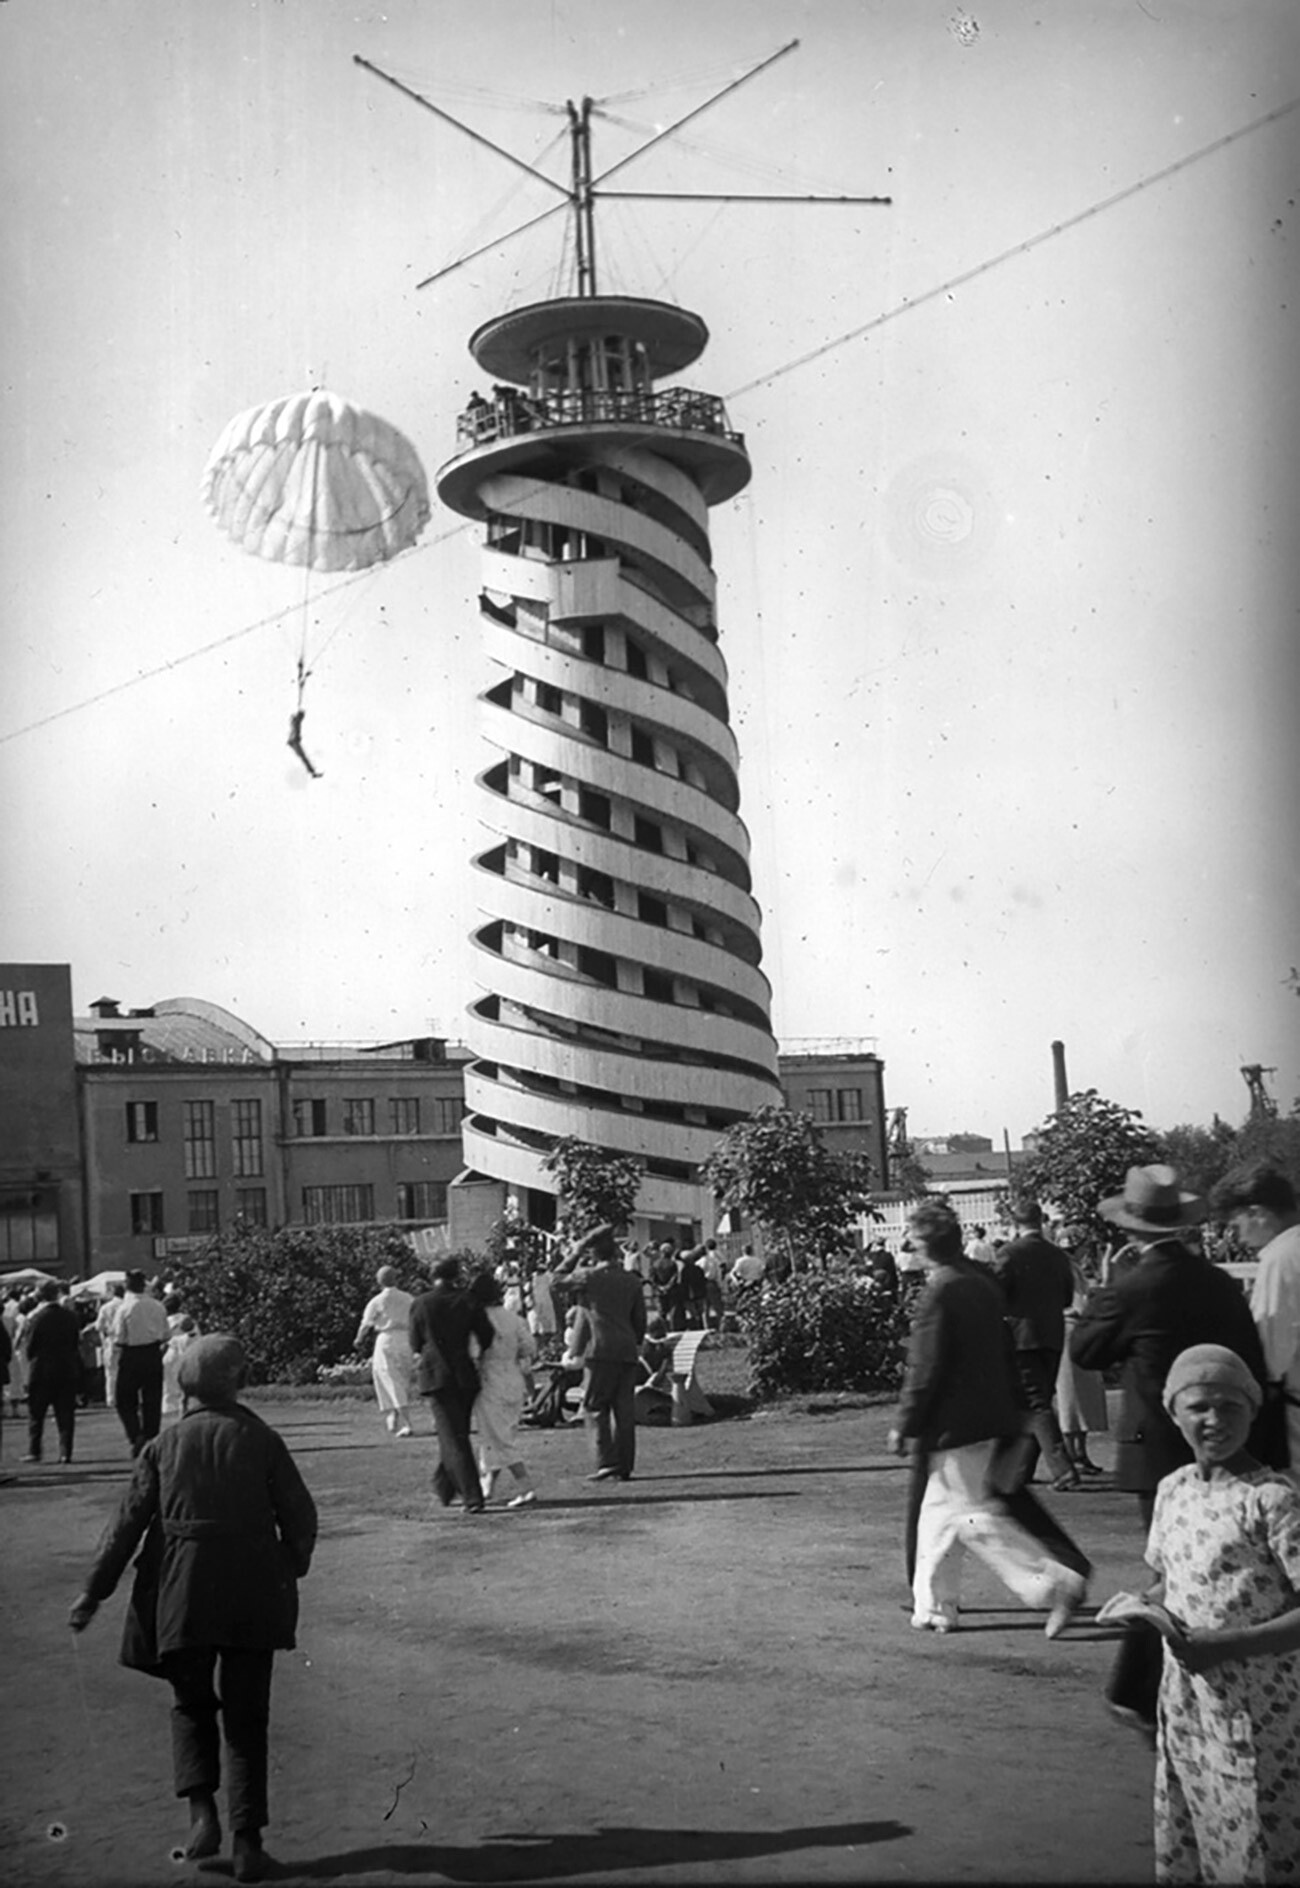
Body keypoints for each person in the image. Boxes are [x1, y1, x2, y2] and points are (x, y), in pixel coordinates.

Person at [68, 1335, 317, 1884]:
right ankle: (249, 1841)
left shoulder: (162, 1446)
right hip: (253, 1586)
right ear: (238, 1382)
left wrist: (93, 1592)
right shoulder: (262, 1439)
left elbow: (124, 1527)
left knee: (190, 1704)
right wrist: (290, 1566)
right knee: (248, 1715)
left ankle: (201, 1812)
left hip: (181, 1588)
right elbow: (300, 1516)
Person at [887, 1200, 1087, 1638]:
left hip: (954, 1422)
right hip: (991, 1414)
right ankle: (934, 1606)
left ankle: (1051, 1583)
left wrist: (906, 1422)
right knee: (939, 1516)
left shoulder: (939, 1290)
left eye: (915, 1241)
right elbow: (1003, 1347)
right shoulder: (979, 1283)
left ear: (925, 1245)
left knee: (968, 1516)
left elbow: (925, 1365)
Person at [1140, 1344, 1300, 1881]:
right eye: (1199, 1407)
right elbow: (1170, 1576)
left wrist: (1227, 1645)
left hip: (1263, 1704)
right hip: (1189, 1702)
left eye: (1230, 1406)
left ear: (1253, 1410)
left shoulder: (1272, 1500)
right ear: (1174, 1413)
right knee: (1199, 1819)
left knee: (1259, 1825)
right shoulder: (1174, 1491)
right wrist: (1146, 1607)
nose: (1214, 1420)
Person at [1070, 1164, 1273, 1530]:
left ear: (1129, 1227)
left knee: (1170, 1563)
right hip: (1225, 1438)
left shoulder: (1129, 1290)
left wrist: (1105, 1286)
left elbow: (1086, 1352)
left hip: (1156, 1445)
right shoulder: (1219, 1282)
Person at [1212, 1161, 1300, 1473]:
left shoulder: (1280, 1258)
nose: (1236, 1238)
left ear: (1257, 1212)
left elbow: (1270, 1351)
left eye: (1236, 1225)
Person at [994, 1199, 1079, 1491]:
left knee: (1034, 1402)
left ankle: (1063, 1468)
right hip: (1051, 1333)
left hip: (1021, 1335)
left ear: (1015, 1224)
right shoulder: (1057, 1256)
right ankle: (1022, 1469)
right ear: (1041, 1221)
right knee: (1039, 1398)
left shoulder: (1009, 1253)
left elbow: (997, 1292)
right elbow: (1067, 1297)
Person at [554, 1223, 647, 1482]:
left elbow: (557, 1280)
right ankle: (624, 1465)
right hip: (626, 1349)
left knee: (595, 1406)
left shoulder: (589, 1277)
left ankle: (606, 1461)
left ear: (594, 1255)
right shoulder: (631, 1280)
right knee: (624, 1411)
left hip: (599, 1350)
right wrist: (635, 1342)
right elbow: (640, 1320)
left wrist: (575, 1251)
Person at [409, 1256, 495, 1514]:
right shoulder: (468, 1300)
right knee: (456, 1434)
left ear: (431, 1275)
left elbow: (415, 1342)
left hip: (436, 1374)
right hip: (465, 1374)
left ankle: (472, 1496)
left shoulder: (422, 1303)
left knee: (453, 1438)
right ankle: (444, 1487)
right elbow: (487, 1336)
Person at [467, 1272, 537, 1507]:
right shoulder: (514, 1319)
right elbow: (529, 1347)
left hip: (490, 1380)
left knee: (498, 1437)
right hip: (513, 1377)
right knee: (498, 1434)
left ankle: (526, 1487)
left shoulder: (478, 1320)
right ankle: (488, 1484)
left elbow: (474, 1354)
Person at [1056, 1252, 1108, 1475]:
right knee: (1069, 1397)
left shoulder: (1077, 1275)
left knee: (1083, 1398)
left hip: (1082, 1334)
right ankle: (1072, 1453)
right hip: (1067, 1332)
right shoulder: (1059, 1275)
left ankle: (1080, 1452)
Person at [22, 1279, 82, 1464]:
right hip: (66, 1368)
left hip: (41, 1369)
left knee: (36, 1414)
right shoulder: (70, 1316)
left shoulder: (36, 1318)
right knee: (65, 1413)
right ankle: (66, 1452)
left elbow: (30, 1347)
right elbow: (75, 1343)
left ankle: (35, 1450)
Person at [114, 1270, 172, 1457]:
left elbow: (118, 1336)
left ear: (127, 1285)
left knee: (124, 1399)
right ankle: (150, 1438)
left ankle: (135, 1434)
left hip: (131, 1354)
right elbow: (166, 1334)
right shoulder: (158, 1306)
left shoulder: (124, 1308)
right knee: (152, 1399)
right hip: (153, 1353)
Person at [353, 1265, 415, 1439]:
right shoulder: (407, 1298)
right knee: (401, 1379)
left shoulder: (377, 1301)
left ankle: (406, 1422)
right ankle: (394, 1413)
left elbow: (366, 1323)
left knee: (389, 1378)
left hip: (387, 1339)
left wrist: (358, 1339)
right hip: (406, 1339)